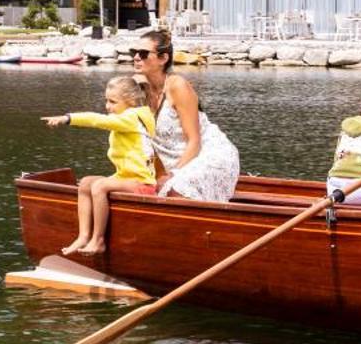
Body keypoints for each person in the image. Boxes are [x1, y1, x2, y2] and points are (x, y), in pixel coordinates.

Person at [45, 76, 162, 257]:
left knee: (100, 186)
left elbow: (96, 120)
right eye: (106, 101)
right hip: (125, 178)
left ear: (130, 101)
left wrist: (68, 118)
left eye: (113, 102)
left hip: (142, 183)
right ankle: (84, 236)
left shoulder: (131, 118)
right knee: (85, 183)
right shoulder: (128, 116)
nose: (107, 106)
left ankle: (98, 240)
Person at [130, 28, 240, 203]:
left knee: (175, 189)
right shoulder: (139, 90)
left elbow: (194, 141)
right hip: (177, 162)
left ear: (163, 59)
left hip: (209, 155)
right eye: (133, 52)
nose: (136, 57)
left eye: (143, 53)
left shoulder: (178, 86)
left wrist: (173, 175)